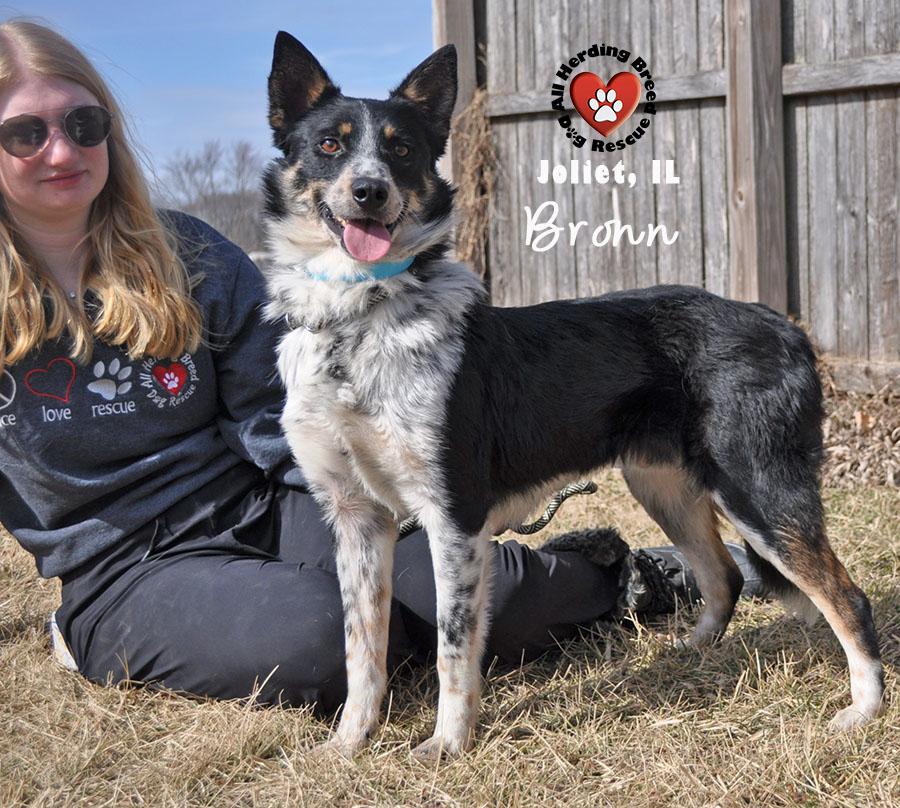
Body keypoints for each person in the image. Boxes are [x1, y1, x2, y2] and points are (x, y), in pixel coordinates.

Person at [0, 20, 759, 713]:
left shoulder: (189, 252)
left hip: (254, 507)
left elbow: (278, 410)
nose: (61, 149)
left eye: (83, 122)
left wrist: (404, 477)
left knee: (485, 580)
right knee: (316, 638)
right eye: (25, 132)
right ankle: (109, 634)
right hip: (125, 566)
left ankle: (634, 576)